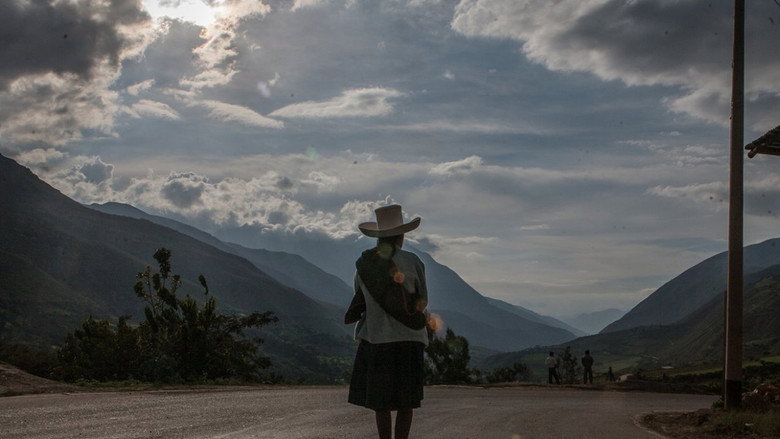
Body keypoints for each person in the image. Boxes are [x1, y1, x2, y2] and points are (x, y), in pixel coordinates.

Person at [345, 204, 429, 439]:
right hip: (410, 340)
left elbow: (361, 298)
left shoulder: (364, 265)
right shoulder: (413, 262)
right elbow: (423, 301)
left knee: (381, 404)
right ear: (401, 236)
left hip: (377, 339)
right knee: (406, 403)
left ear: (378, 237)